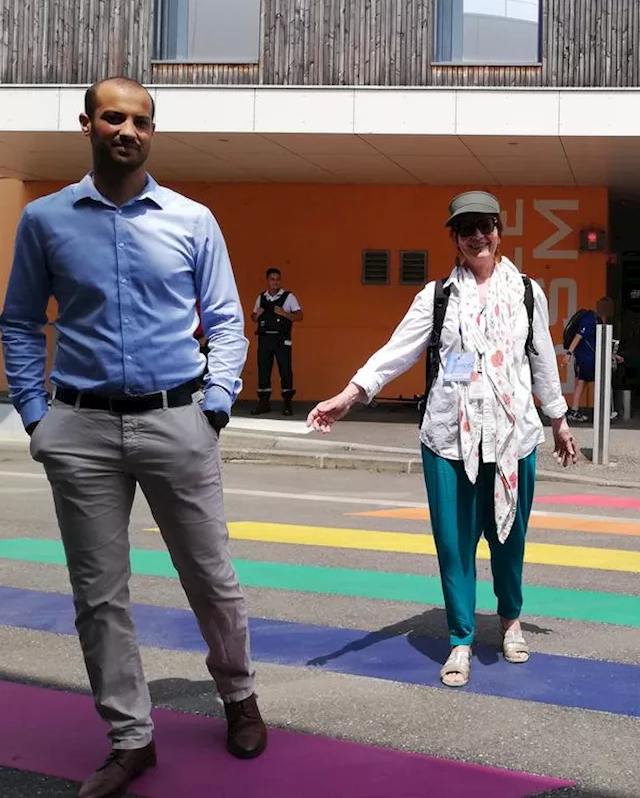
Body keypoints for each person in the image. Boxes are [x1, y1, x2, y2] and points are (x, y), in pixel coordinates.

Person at [0, 77, 266, 798]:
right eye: (113, 117)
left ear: (153, 131)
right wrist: (34, 414)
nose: (127, 129)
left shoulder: (192, 219)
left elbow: (227, 320)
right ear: (86, 124)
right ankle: (130, 737)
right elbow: (19, 321)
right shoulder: (45, 221)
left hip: (179, 420)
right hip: (78, 427)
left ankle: (238, 695)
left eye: (140, 120)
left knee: (211, 577)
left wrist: (214, 405)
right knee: (99, 595)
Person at [307, 190, 579, 687]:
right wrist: (349, 395)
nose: (477, 235)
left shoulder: (525, 292)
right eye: (466, 228)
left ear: (499, 231)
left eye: (486, 226)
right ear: (453, 238)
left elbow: (541, 358)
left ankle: (511, 620)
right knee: (453, 546)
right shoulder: (437, 296)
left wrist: (558, 420)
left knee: (509, 538)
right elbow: (397, 351)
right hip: (448, 439)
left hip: (512, 436)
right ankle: (460, 638)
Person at [250, 267, 302, 416]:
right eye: (272, 279)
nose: (275, 282)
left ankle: (287, 403)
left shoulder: (288, 297)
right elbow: (253, 318)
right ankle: (263, 403)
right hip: (264, 338)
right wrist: (256, 315)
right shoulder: (261, 297)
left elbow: (299, 315)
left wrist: (284, 313)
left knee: (285, 369)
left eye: (278, 279)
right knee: (264, 369)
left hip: (282, 339)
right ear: (267, 281)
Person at [564, 304, 599, 422]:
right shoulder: (590, 318)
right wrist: (569, 353)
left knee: (582, 382)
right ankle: (601, 411)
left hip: (586, 357)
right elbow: (579, 336)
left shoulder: (595, 319)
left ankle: (574, 410)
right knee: (596, 382)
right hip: (587, 357)